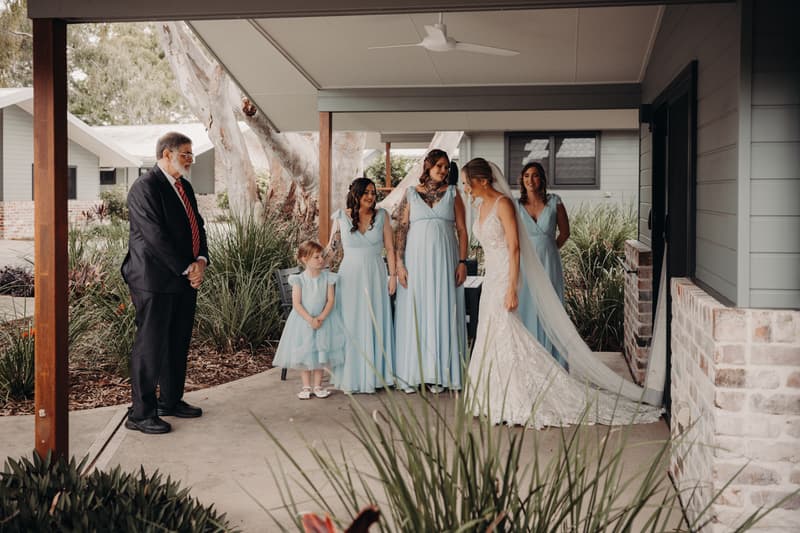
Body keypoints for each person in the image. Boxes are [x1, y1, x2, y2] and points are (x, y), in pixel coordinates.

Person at [461, 158, 661, 429]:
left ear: (482, 180)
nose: (465, 188)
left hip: (505, 278)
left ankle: (521, 394)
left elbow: (515, 248)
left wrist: (511, 288)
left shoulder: (504, 204)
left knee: (508, 332)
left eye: (467, 182)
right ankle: (493, 394)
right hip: (491, 277)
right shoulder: (481, 206)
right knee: (492, 333)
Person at [121, 132, 208, 435]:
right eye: (185, 153)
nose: (190, 159)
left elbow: (198, 225)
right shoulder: (144, 188)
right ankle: (141, 413)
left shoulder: (184, 187)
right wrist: (188, 268)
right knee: (151, 345)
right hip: (153, 280)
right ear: (166, 154)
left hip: (183, 278)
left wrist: (201, 261)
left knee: (177, 341)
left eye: (190, 153)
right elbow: (156, 237)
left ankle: (170, 401)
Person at [394, 149, 468, 393]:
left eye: (447, 167)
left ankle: (440, 374)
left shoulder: (453, 194)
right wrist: (399, 265)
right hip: (415, 262)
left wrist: (462, 262)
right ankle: (414, 373)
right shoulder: (411, 193)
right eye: (439, 166)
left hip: (445, 261)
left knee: (442, 308)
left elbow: (462, 230)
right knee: (416, 310)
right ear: (427, 166)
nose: (444, 170)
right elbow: (402, 229)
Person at [328, 178, 396, 394]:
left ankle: (377, 376)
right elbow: (332, 249)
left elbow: (390, 249)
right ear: (355, 194)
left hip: (376, 274)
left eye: (373, 192)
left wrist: (393, 275)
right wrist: (314, 267)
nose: (371, 196)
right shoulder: (340, 217)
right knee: (351, 322)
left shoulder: (382, 216)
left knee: (375, 320)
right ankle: (352, 376)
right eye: (366, 192)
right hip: (350, 277)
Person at [273, 240, 345, 399]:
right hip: (303, 321)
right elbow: (296, 303)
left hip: (324, 320)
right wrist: (309, 319)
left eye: (321, 256)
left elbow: (331, 300)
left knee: (321, 351)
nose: (321, 260)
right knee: (305, 353)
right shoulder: (299, 279)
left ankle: (318, 386)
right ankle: (306, 386)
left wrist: (321, 317)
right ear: (305, 259)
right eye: (316, 257)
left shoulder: (328, 278)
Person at [516, 162, 570, 368]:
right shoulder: (515, 205)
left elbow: (565, 233)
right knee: (528, 305)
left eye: (535, 175)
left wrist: (550, 247)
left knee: (551, 306)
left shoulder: (555, 202)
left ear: (542, 179)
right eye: (527, 175)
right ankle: (530, 362)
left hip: (549, 262)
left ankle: (554, 361)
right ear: (522, 179)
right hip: (525, 264)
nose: (531, 180)